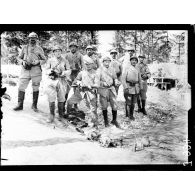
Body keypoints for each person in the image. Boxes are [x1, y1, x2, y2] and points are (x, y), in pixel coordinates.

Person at [13, 32, 46, 112]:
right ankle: (20, 105)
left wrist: (38, 62)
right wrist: (22, 62)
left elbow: (44, 60)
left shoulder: (39, 49)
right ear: (28, 39)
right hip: (25, 70)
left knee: (36, 87)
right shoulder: (24, 48)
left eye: (34, 38)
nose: (32, 39)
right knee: (21, 86)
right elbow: (19, 58)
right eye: (31, 38)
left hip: (36, 71)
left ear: (36, 39)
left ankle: (34, 105)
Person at [68, 57, 99, 129]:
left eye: (89, 64)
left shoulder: (95, 73)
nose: (88, 66)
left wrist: (89, 86)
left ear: (92, 64)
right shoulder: (82, 72)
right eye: (86, 64)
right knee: (85, 108)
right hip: (82, 92)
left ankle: (95, 125)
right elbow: (75, 81)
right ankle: (88, 123)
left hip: (91, 93)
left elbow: (97, 85)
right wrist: (79, 82)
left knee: (93, 109)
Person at [45, 45, 70, 123]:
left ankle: (61, 115)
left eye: (59, 51)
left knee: (61, 98)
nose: (57, 52)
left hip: (61, 80)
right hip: (52, 80)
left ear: (61, 52)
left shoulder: (65, 60)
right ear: (53, 52)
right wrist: (51, 71)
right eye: (55, 51)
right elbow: (46, 70)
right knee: (51, 97)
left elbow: (69, 70)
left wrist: (63, 73)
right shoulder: (50, 60)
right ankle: (51, 115)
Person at [96, 56, 121, 128]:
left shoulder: (112, 69)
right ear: (103, 62)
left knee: (114, 105)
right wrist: (103, 83)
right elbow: (97, 81)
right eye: (105, 61)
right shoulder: (99, 70)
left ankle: (114, 120)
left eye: (108, 61)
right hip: (103, 90)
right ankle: (106, 121)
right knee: (104, 106)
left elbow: (115, 78)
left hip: (111, 89)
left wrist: (116, 82)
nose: (107, 63)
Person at [64, 42, 84, 109]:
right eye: (71, 47)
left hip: (77, 74)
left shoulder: (80, 55)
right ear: (69, 48)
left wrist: (82, 74)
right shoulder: (66, 55)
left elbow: (83, 65)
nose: (73, 48)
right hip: (69, 74)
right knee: (67, 90)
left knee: (76, 89)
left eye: (74, 47)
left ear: (76, 48)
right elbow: (63, 65)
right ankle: (65, 105)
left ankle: (75, 105)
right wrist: (65, 73)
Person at [122, 55, 142, 120]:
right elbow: (123, 79)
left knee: (133, 102)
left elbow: (139, 79)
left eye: (135, 60)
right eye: (132, 60)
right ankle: (127, 115)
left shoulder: (137, 68)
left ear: (136, 62)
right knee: (128, 101)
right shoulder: (127, 68)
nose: (134, 61)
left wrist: (140, 87)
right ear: (130, 61)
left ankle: (131, 115)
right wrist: (125, 87)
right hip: (128, 86)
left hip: (136, 87)